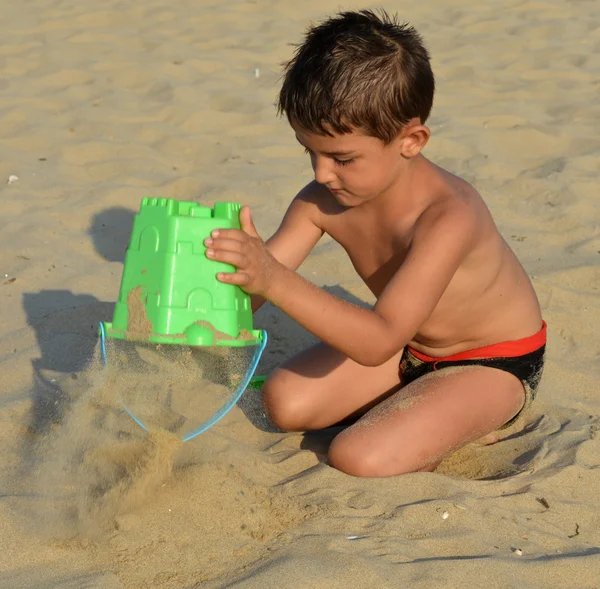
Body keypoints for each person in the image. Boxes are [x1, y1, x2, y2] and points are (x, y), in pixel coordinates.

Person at [203, 9, 546, 477]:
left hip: (488, 360)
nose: (321, 174)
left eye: (342, 158)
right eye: (310, 152)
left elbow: (376, 340)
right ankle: (423, 404)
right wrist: (223, 281)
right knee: (284, 401)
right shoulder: (321, 200)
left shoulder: (449, 216)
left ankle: (480, 412)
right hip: (410, 346)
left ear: (411, 140)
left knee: (357, 456)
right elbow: (253, 295)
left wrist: (271, 276)